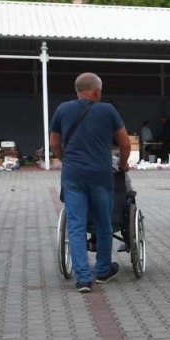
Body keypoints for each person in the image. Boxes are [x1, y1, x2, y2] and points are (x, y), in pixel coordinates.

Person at [49, 72, 131, 292]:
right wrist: (123, 165)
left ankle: (83, 278)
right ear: (97, 91)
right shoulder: (107, 110)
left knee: (76, 226)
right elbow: (125, 143)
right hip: (100, 176)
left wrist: (65, 159)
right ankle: (103, 270)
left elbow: (54, 143)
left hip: (73, 176)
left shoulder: (62, 110)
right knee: (104, 223)